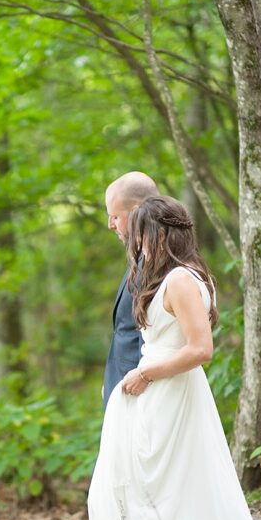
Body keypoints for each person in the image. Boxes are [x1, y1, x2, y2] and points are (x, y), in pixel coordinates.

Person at [88, 196, 261, 520]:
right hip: (152, 397)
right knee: (115, 497)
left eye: (142, 234)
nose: (136, 244)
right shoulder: (172, 276)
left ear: (161, 234)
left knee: (152, 496)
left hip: (167, 395)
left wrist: (145, 373)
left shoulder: (182, 279)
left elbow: (201, 349)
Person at [102, 171, 159, 408]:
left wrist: (140, 378)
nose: (110, 224)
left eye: (115, 216)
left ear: (136, 212)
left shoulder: (159, 263)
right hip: (123, 388)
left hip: (141, 395)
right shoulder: (140, 257)